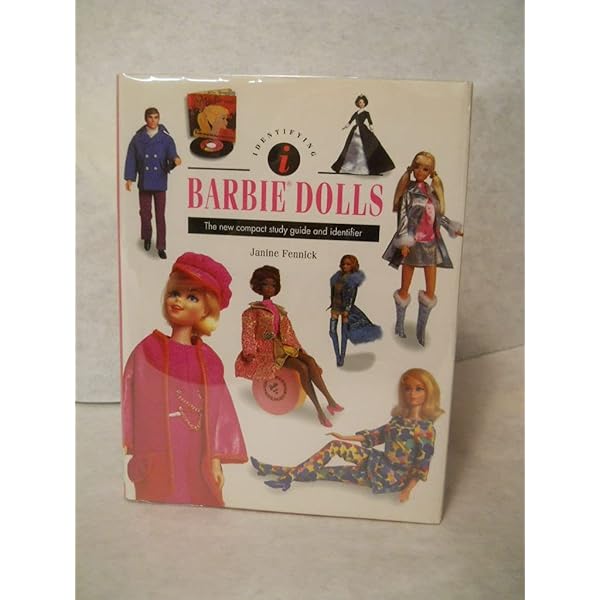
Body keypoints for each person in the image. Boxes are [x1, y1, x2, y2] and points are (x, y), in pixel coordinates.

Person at [122, 252, 247, 506]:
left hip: (197, 449)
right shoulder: (147, 351)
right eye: (174, 293)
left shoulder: (209, 360)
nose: (179, 301)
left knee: (198, 500)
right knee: (161, 503)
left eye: (192, 297)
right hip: (157, 447)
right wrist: (125, 440)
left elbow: (221, 411)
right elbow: (127, 398)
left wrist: (215, 459)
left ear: (206, 310)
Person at [250, 368, 442, 502]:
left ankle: (274, 471)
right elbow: (374, 436)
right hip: (377, 461)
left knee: (323, 473)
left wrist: (407, 491)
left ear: (429, 392)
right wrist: (343, 437)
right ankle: (283, 475)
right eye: (408, 389)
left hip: (390, 477)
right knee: (334, 446)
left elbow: (421, 466)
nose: (412, 394)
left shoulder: (426, 429)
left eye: (419, 389)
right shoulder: (398, 421)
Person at [235, 265, 343, 428]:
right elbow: (247, 333)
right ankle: (319, 412)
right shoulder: (251, 312)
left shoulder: (280, 311)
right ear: (258, 286)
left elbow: (288, 332)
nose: (269, 288)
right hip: (269, 352)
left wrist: (297, 348)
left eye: (273, 285)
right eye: (265, 284)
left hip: (285, 347)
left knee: (310, 361)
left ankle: (331, 402)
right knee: (302, 368)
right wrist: (250, 351)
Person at [381, 151, 463, 345]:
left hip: (431, 245)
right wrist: (404, 241)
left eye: (425, 169)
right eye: (417, 167)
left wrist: (452, 227)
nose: (420, 171)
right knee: (404, 289)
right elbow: (403, 217)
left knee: (430, 292)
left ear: (430, 172)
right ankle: (400, 325)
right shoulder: (409, 192)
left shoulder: (431, 192)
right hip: (412, 245)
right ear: (413, 168)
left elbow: (437, 216)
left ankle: (421, 330)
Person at [124, 107, 181, 259]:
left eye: (156, 117)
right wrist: (129, 178)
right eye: (150, 117)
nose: (153, 120)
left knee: (160, 215)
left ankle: (161, 246)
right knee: (145, 213)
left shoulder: (166, 138)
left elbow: (172, 153)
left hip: (160, 180)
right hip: (144, 180)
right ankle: (147, 237)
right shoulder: (137, 138)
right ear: (146, 119)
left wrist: (175, 159)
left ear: (159, 119)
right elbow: (131, 158)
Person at [329, 254, 382, 366]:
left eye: (348, 264)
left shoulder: (353, 280)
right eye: (344, 264)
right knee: (332, 331)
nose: (345, 266)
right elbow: (334, 293)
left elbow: (352, 297)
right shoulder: (337, 277)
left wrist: (347, 310)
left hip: (345, 309)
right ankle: (338, 355)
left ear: (353, 265)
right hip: (335, 307)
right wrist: (332, 305)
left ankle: (341, 358)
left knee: (344, 334)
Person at [331, 95, 395, 175]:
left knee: (365, 147)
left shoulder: (366, 113)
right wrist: (345, 126)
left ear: (365, 103)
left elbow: (370, 122)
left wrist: (372, 129)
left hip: (363, 131)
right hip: (355, 131)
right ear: (357, 103)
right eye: (360, 102)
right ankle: (350, 166)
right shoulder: (356, 113)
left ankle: (366, 167)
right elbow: (350, 121)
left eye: (363, 102)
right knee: (352, 147)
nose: (361, 104)